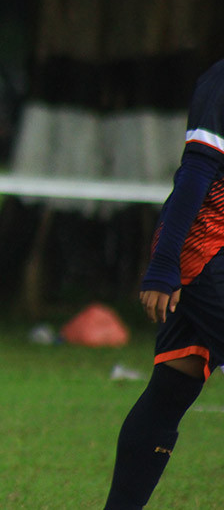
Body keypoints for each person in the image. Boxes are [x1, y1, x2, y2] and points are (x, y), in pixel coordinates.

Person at [103, 59, 224, 509]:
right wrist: (164, 264)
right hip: (206, 247)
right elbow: (195, 174)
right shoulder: (220, 84)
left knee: (174, 384)